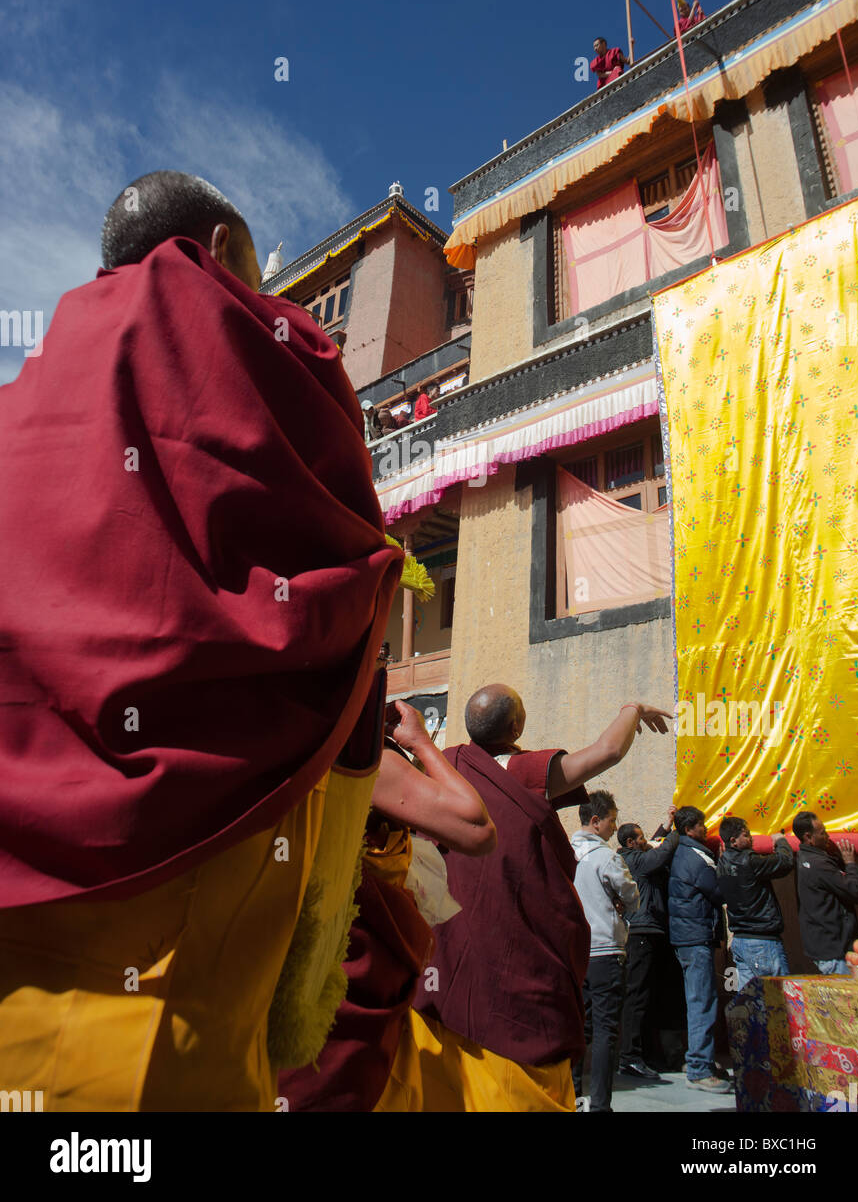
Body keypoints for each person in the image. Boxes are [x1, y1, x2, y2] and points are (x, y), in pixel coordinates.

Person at [0, 170, 403, 1111]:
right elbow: (341, 554)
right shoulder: (258, 343)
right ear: (219, 251)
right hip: (190, 869)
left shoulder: (28, 389)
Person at [406, 690, 671, 1111]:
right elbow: (607, 751)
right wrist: (632, 709)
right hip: (513, 951)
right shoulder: (523, 769)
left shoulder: (447, 766)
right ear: (515, 728)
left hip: (450, 950)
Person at [280, 700, 496, 1111]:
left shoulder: (272, 740)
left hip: (279, 953)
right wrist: (419, 743)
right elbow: (476, 828)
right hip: (347, 962)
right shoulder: (359, 755)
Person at [571, 790, 639, 1112]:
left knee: (577, 1028)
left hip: (574, 953)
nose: (615, 827)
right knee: (605, 1031)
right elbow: (631, 896)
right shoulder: (606, 858)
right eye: (612, 820)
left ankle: (570, 1096)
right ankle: (600, 1105)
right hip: (605, 950)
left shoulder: (564, 854)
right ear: (596, 822)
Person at [668, 806, 730, 1093]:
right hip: (695, 938)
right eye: (702, 825)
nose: (706, 829)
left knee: (698, 1000)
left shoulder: (685, 853)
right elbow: (718, 891)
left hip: (688, 937)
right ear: (690, 828)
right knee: (702, 1001)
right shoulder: (695, 858)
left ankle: (698, 1058)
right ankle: (699, 1067)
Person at [617, 806, 679, 1079]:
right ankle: (630, 1056)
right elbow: (660, 852)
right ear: (631, 842)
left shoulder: (636, 856)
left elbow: (654, 844)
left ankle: (644, 1054)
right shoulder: (635, 861)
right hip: (641, 934)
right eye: (639, 838)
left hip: (649, 934)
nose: (645, 841)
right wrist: (681, 831)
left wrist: (666, 826)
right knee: (637, 996)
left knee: (647, 996)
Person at [717, 816, 793, 990]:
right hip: (762, 942)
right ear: (733, 841)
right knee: (781, 1001)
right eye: (746, 835)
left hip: (740, 940)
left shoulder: (722, 862)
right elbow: (785, 862)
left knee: (750, 1002)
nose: (751, 838)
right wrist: (781, 841)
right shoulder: (749, 861)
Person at [792, 811, 858, 975]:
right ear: (808, 837)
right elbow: (855, 891)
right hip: (835, 951)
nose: (827, 836)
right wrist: (850, 864)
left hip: (824, 947)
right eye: (822, 833)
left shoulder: (804, 857)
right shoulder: (819, 864)